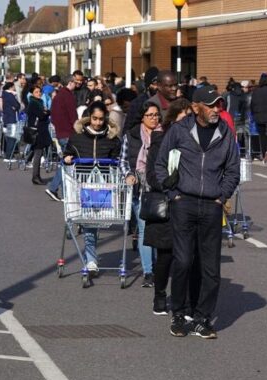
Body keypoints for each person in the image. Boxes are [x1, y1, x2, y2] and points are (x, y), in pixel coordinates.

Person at [155, 86, 240, 339]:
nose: (217, 109)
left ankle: (203, 318)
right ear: (196, 108)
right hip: (184, 203)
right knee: (183, 261)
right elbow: (161, 164)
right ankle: (179, 314)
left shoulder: (225, 133)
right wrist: (173, 195)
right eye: (211, 105)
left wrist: (220, 196)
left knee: (211, 268)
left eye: (219, 105)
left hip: (211, 206)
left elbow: (232, 170)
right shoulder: (179, 131)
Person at [63, 101, 129, 276]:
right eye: (94, 118)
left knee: (99, 221)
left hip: (105, 186)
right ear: (89, 117)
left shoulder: (112, 139)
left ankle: (91, 257)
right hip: (82, 185)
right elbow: (67, 153)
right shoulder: (77, 137)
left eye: (101, 119)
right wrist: (67, 158)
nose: (98, 123)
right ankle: (91, 260)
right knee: (89, 223)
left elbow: (118, 160)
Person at [145, 98, 193, 315]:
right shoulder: (160, 141)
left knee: (188, 256)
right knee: (166, 255)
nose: (187, 123)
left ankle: (185, 298)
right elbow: (152, 176)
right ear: (173, 119)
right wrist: (170, 187)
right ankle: (160, 294)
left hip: (189, 204)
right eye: (183, 118)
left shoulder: (194, 141)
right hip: (167, 203)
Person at [122, 101, 162, 288]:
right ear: (142, 117)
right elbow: (122, 160)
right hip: (140, 188)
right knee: (145, 228)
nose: (154, 118)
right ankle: (149, 271)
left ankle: (159, 265)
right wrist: (129, 174)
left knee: (159, 229)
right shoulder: (131, 136)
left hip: (160, 187)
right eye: (150, 115)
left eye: (156, 115)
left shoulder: (164, 134)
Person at [46, 75, 79, 202]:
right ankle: (55, 188)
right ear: (70, 82)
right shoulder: (68, 96)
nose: (76, 84)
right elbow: (73, 116)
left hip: (60, 132)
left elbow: (53, 116)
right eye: (75, 82)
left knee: (66, 162)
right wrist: (78, 129)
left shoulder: (58, 96)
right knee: (67, 162)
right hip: (68, 133)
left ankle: (61, 191)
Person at [26, 85, 52, 184]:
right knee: (38, 152)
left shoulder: (39, 102)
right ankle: (35, 176)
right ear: (32, 93)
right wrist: (47, 112)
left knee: (38, 152)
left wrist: (46, 112)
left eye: (39, 92)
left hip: (41, 130)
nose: (39, 93)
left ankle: (36, 175)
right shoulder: (33, 103)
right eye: (36, 92)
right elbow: (41, 115)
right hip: (37, 131)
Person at [250, 73, 267, 162]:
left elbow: (252, 104)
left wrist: (254, 114)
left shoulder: (256, 91)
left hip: (259, 117)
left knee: (262, 136)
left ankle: (264, 152)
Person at [125, 67, 159, 132]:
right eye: (155, 84)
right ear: (148, 85)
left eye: (159, 83)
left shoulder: (164, 100)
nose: (157, 87)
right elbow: (128, 128)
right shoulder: (137, 103)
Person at [1, 82, 21, 161]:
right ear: (10, 87)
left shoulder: (4, 95)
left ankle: (8, 155)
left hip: (6, 118)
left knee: (8, 137)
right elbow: (17, 105)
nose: (15, 88)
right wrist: (16, 106)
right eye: (14, 87)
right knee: (12, 138)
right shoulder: (10, 95)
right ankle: (9, 156)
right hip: (11, 118)